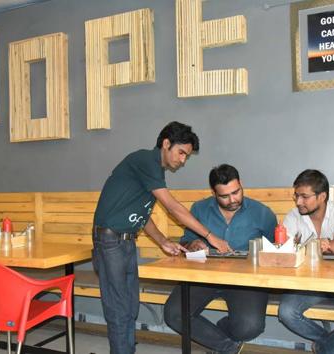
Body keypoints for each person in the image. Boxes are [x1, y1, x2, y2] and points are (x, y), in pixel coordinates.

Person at [92, 122, 232, 354]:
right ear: (166, 144)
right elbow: (172, 207)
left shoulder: (151, 173)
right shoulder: (146, 160)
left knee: (129, 307)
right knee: (119, 309)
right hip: (110, 241)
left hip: (124, 241)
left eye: (187, 156)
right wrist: (210, 236)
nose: (183, 160)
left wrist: (163, 241)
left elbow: (142, 216)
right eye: (181, 153)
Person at [164, 164, 277, 354]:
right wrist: (194, 245)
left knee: (249, 327)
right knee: (174, 314)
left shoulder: (261, 212)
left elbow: (276, 250)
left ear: (241, 185)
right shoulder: (200, 209)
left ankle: (220, 335)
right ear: (213, 192)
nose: (233, 199)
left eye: (236, 192)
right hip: (204, 275)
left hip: (245, 280)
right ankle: (229, 348)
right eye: (224, 196)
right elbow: (188, 241)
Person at [278, 169, 334, 354]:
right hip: (310, 281)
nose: (298, 202)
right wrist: (317, 245)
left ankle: (322, 348)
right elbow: (284, 251)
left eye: (304, 196)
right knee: (286, 313)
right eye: (296, 196)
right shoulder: (294, 215)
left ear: (322, 197)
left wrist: (319, 245)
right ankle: (327, 344)